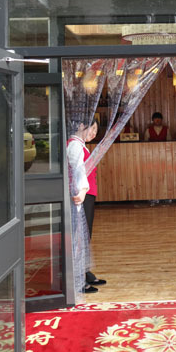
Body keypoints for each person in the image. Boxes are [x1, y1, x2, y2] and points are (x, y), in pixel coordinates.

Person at [67, 117, 106, 292]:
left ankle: (84, 272)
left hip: (87, 195)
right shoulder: (75, 145)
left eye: (96, 131)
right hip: (82, 195)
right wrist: (82, 190)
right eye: (92, 129)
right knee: (79, 237)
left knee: (84, 235)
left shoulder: (80, 144)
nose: (94, 133)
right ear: (82, 126)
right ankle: (78, 279)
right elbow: (78, 169)